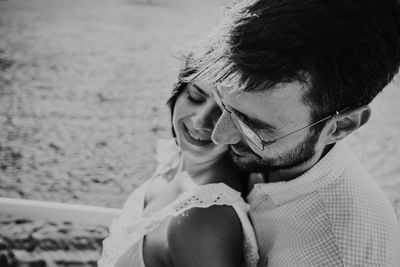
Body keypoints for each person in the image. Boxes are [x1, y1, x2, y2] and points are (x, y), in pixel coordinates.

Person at [187, 0, 400, 266]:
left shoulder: (334, 256)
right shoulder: (282, 142)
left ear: (341, 126)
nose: (219, 135)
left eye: (252, 126)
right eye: (222, 100)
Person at [98, 58, 259, 267]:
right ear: (178, 92)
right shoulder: (177, 158)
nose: (200, 121)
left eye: (223, 111)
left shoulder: (204, 219)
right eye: (194, 97)